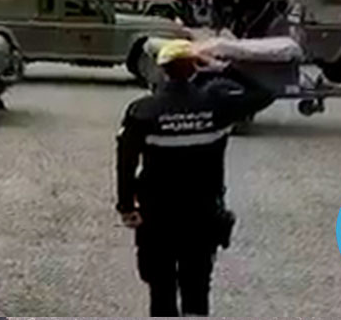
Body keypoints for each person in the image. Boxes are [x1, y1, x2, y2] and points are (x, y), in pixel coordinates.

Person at [115, 39, 274, 317]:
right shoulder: (217, 107)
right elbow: (265, 93)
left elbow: (125, 163)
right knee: (197, 287)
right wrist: (223, 68)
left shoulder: (143, 110)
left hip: (157, 213)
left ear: (163, 70)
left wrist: (126, 207)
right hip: (202, 213)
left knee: (161, 287)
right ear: (194, 69)